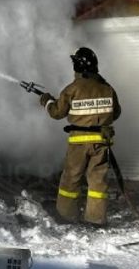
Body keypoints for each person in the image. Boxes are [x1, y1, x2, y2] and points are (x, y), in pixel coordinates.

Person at [38, 47, 122, 226]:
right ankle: (96, 218)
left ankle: (66, 215)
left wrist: (47, 101)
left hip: (79, 144)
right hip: (101, 143)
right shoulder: (107, 88)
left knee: (71, 178)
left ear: (77, 66)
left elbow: (56, 113)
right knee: (98, 181)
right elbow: (116, 113)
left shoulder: (72, 89)